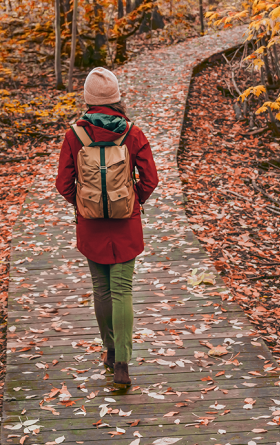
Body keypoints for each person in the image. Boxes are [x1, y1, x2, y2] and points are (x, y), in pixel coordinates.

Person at [55, 67, 159, 385]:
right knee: (122, 290)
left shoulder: (75, 135)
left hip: (90, 225)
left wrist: (83, 204)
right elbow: (151, 179)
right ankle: (124, 365)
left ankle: (110, 351)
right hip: (126, 223)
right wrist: (132, 200)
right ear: (116, 97)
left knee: (101, 289)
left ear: (87, 99)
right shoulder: (133, 133)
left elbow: (63, 183)